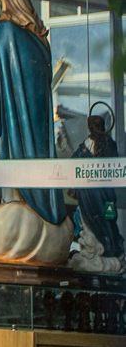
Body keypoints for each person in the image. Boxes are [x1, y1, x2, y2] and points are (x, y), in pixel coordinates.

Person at [0, 0, 72, 265]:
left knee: (15, 156)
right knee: (37, 153)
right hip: (38, 120)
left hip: (16, 121)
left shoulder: (6, 32)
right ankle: (42, 202)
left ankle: (18, 199)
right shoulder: (37, 38)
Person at [67, 115, 125, 274]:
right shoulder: (84, 146)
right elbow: (72, 163)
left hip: (104, 192)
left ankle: (109, 249)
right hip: (88, 194)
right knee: (89, 221)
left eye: (94, 126)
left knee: (107, 221)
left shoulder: (108, 144)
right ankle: (96, 250)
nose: (92, 129)